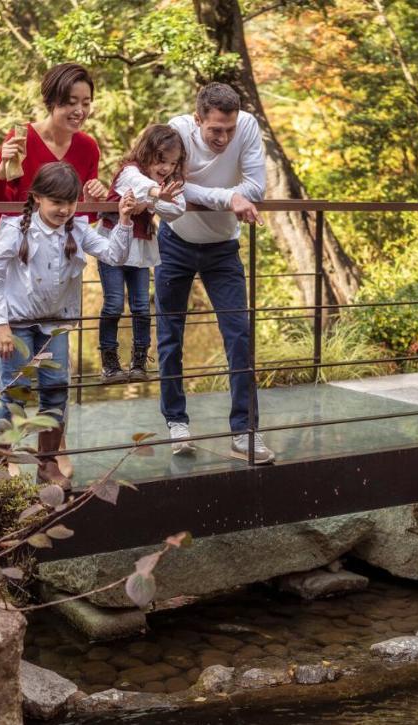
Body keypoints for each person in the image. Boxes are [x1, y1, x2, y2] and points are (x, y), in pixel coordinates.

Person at [0, 162, 136, 489]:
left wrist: (122, 221)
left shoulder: (77, 229)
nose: (64, 210)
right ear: (37, 198)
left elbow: (113, 255)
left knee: (54, 390)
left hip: (55, 326)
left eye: (70, 202)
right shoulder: (15, 229)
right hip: (18, 325)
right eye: (57, 203)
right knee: (14, 394)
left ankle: (47, 464)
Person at [0, 62, 108, 417]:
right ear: (51, 101)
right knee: (4, 351)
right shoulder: (21, 138)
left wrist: (97, 196)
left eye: (86, 102)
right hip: (13, 247)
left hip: (59, 255)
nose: (79, 111)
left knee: (54, 368)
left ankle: (52, 449)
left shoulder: (88, 148)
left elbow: (83, 216)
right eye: (70, 102)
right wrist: (4, 168)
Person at [157, 83, 273, 463]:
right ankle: (177, 423)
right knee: (170, 336)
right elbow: (171, 187)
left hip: (223, 248)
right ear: (197, 121)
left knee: (239, 334)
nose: (224, 137)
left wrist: (229, 195)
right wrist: (228, 196)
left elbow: (256, 185)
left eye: (229, 129)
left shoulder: (248, 127)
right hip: (174, 242)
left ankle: (244, 431)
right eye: (215, 131)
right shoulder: (176, 130)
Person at [95, 124, 187, 383]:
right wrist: (156, 195)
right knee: (113, 303)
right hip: (112, 246)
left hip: (140, 249)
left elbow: (177, 208)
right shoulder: (129, 171)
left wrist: (152, 200)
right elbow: (138, 185)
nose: (166, 168)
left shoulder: (164, 184)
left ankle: (138, 361)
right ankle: (110, 363)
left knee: (141, 307)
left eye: (172, 163)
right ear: (147, 152)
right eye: (161, 160)